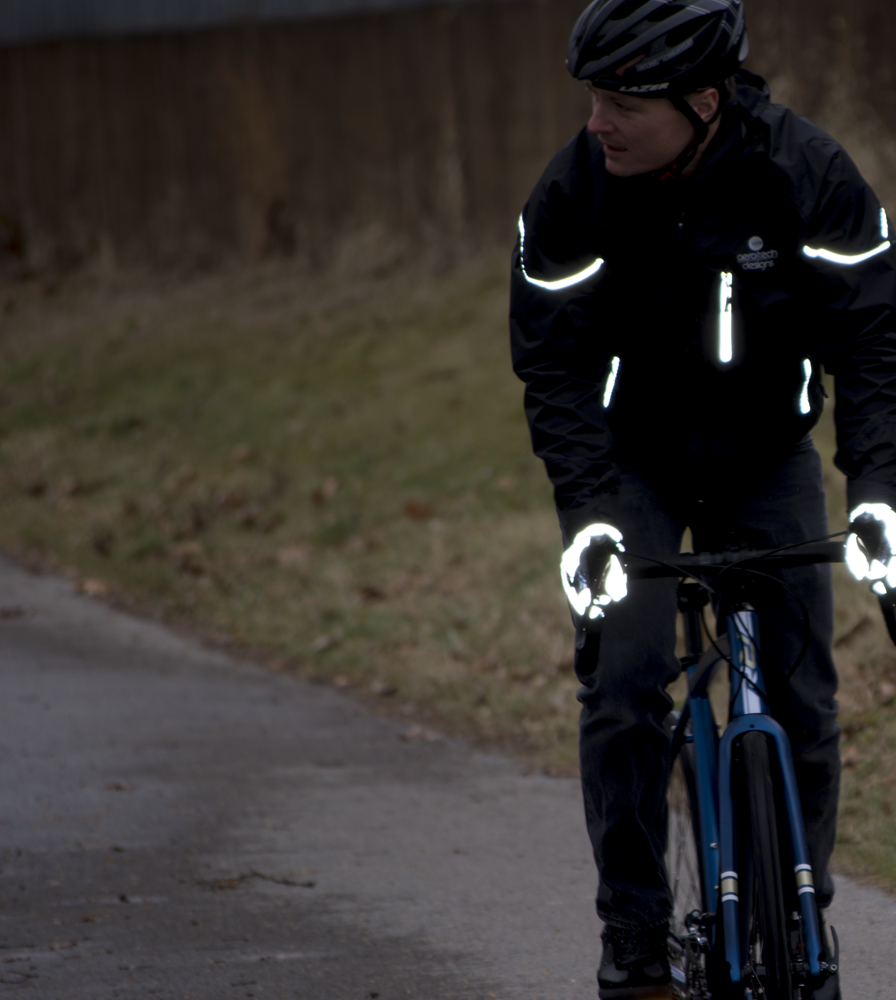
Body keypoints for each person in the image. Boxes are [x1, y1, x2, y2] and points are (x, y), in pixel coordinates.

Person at [509, 0, 896, 997]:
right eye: (592, 99)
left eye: (619, 102)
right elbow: (551, 371)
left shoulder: (806, 177)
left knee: (803, 698)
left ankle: (798, 924)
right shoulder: (571, 195)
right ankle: (633, 941)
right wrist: (588, 517)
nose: (598, 122)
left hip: (766, 458)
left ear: (703, 100)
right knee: (627, 686)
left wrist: (877, 492)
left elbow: (871, 343)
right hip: (629, 466)